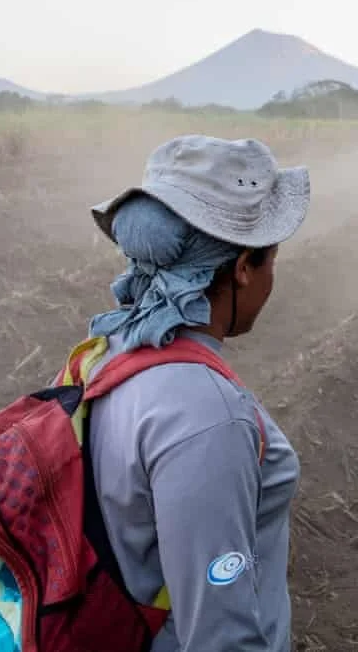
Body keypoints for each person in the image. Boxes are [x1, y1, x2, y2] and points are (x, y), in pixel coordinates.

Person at [85, 134, 310, 650]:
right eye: (271, 260)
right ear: (243, 267)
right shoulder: (209, 417)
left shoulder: (106, 352)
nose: (272, 278)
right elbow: (219, 635)